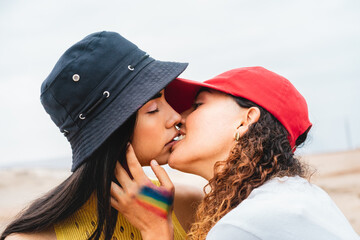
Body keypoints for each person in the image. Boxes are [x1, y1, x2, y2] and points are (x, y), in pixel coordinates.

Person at [110, 67, 360, 239]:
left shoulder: (247, 224)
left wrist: (156, 230)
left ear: (245, 121)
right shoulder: (295, 198)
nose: (178, 118)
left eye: (197, 105)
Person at [1, 31, 203, 240]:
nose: (176, 117)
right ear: (112, 131)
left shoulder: (191, 204)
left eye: (166, 99)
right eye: (152, 109)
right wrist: (156, 231)